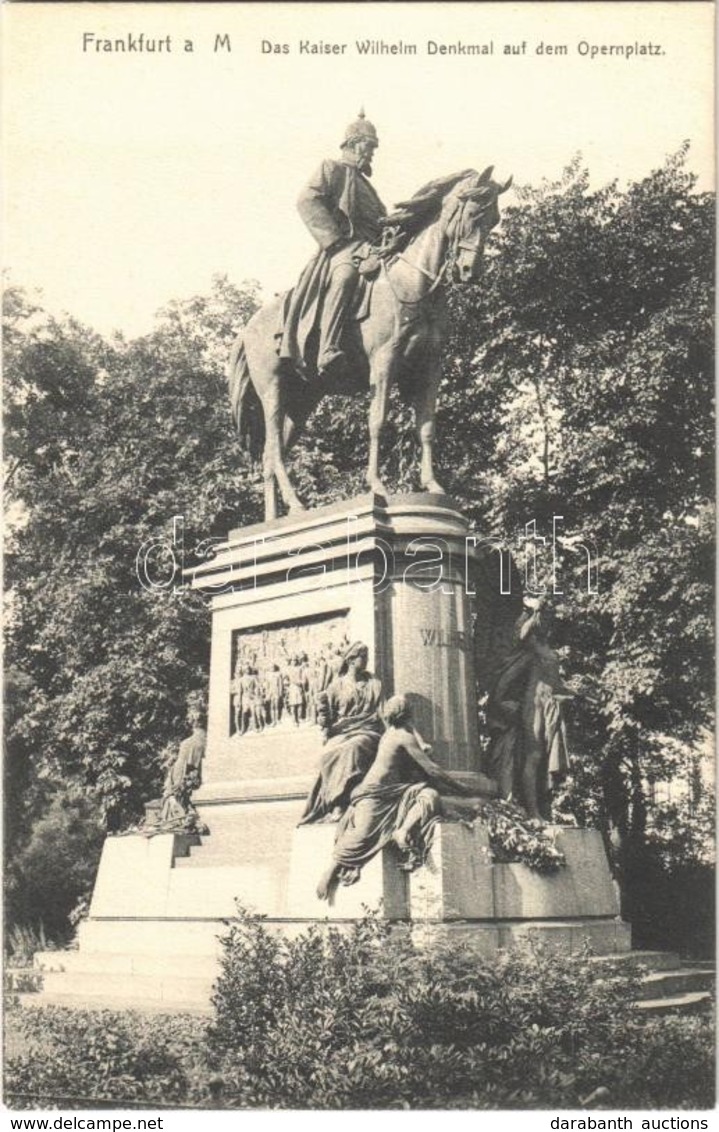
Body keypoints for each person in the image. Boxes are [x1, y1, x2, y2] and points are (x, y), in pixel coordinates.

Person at [316, 694, 471, 901]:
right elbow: (432, 770)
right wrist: (460, 787)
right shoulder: (401, 737)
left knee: (429, 796)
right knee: (361, 834)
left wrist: (420, 739)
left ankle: (402, 831)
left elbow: (411, 731)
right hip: (374, 794)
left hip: (396, 792)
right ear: (407, 715)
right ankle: (330, 870)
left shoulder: (392, 732)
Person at [279, 111, 387, 378]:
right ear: (353, 143)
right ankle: (328, 348)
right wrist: (335, 241)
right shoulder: (332, 168)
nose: (372, 152)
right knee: (346, 276)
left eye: (374, 147)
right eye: (369, 145)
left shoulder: (367, 186)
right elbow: (307, 200)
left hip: (373, 248)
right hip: (344, 247)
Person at [486, 599, 574, 820]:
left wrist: (576, 694)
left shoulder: (546, 647)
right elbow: (506, 678)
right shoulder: (529, 648)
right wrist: (535, 609)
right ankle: (533, 811)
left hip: (551, 706)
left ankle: (544, 808)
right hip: (533, 706)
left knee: (544, 758)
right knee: (533, 757)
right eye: (545, 615)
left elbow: (556, 682)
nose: (549, 619)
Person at [299, 641, 383, 824]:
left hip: (368, 731)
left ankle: (339, 802)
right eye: (363, 657)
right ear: (351, 660)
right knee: (327, 755)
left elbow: (383, 713)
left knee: (353, 748)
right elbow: (327, 720)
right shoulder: (336, 686)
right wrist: (323, 720)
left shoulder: (373, 683)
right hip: (341, 732)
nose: (367, 661)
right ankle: (328, 803)